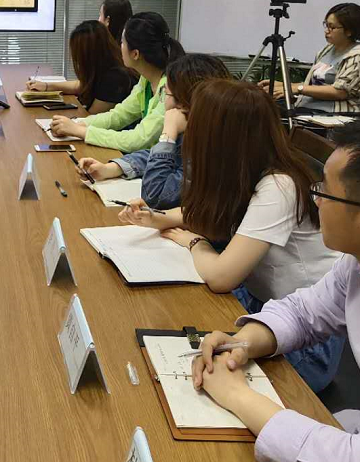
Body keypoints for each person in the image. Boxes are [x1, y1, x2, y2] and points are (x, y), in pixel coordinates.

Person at [189, 114, 360, 462]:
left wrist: (238, 396)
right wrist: (243, 343)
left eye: (324, 191)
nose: (315, 200)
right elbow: (304, 312)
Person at [121, 78, 343, 392]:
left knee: (181, 360)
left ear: (218, 139)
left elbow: (221, 277)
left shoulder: (279, 187)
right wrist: (157, 219)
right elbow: (211, 212)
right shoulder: (248, 169)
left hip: (305, 343)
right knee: (163, 324)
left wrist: (195, 243)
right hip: (262, 306)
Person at [75, 54, 230, 209]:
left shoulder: (209, 149)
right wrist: (113, 168)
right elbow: (157, 155)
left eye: (166, 94)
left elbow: (154, 197)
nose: (164, 101)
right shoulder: (197, 130)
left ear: (183, 104)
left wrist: (168, 135)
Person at [50, 12, 184, 153]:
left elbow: (138, 140)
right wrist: (78, 123)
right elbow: (119, 115)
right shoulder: (146, 80)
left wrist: (81, 131)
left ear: (135, 54)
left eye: (122, 42)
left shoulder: (169, 89)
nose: (120, 47)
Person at [261, 2, 360, 113]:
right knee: (262, 105)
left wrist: (298, 88)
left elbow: (340, 92)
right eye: (326, 25)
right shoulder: (327, 50)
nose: (327, 31)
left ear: (349, 31)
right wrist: (286, 86)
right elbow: (317, 86)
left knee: (268, 113)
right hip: (310, 106)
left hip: (336, 113)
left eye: (332, 27)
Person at [25, 20, 137, 114]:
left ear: (87, 55)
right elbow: (81, 85)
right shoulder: (106, 68)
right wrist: (46, 86)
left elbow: (90, 118)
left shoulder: (115, 78)